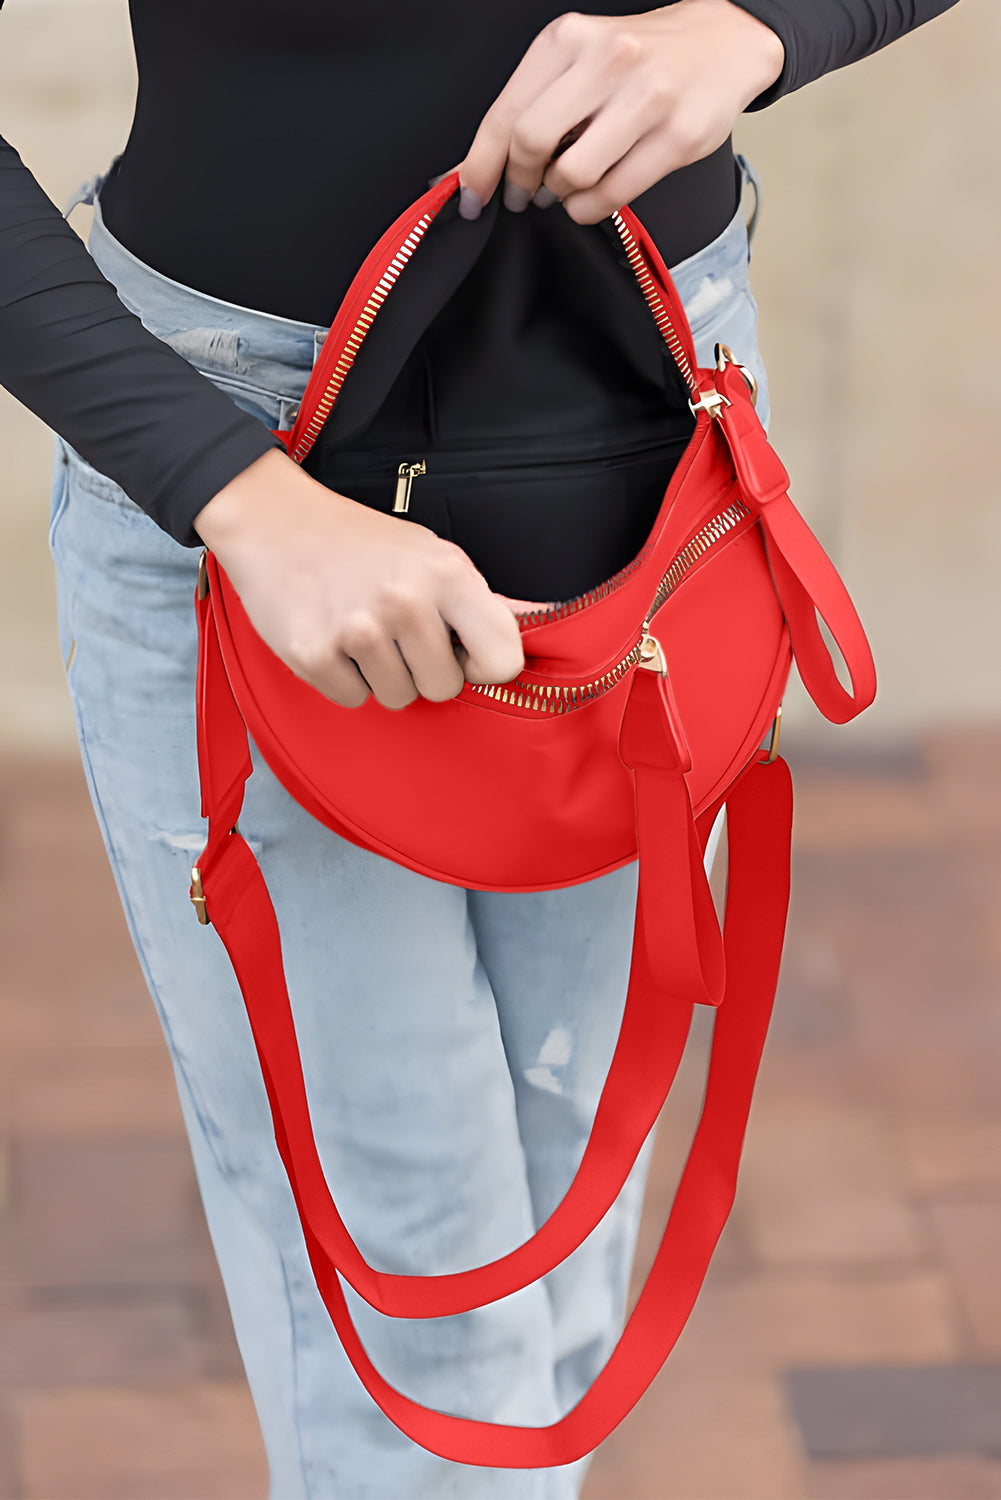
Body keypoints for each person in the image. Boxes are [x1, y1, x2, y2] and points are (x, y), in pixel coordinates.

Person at [0, 2, 958, 1495]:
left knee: (565, 1262)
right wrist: (236, 496)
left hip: (659, 431)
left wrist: (759, 26)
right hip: (245, 473)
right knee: (421, 1318)